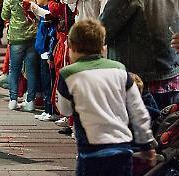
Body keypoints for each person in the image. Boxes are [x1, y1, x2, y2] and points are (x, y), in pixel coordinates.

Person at [56, 19, 157, 176]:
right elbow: (138, 111)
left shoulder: (68, 74)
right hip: (122, 149)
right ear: (102, 47)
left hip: (91, 152)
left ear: (72, 46)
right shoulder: (120, 70)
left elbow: (65, 109)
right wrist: (146, 145)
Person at [2, 0, 38, 111]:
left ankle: (13, 100)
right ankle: (30, 102)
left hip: (16, 38)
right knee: (31, 70)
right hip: (33, 36)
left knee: (14, 70)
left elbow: (4, 15)